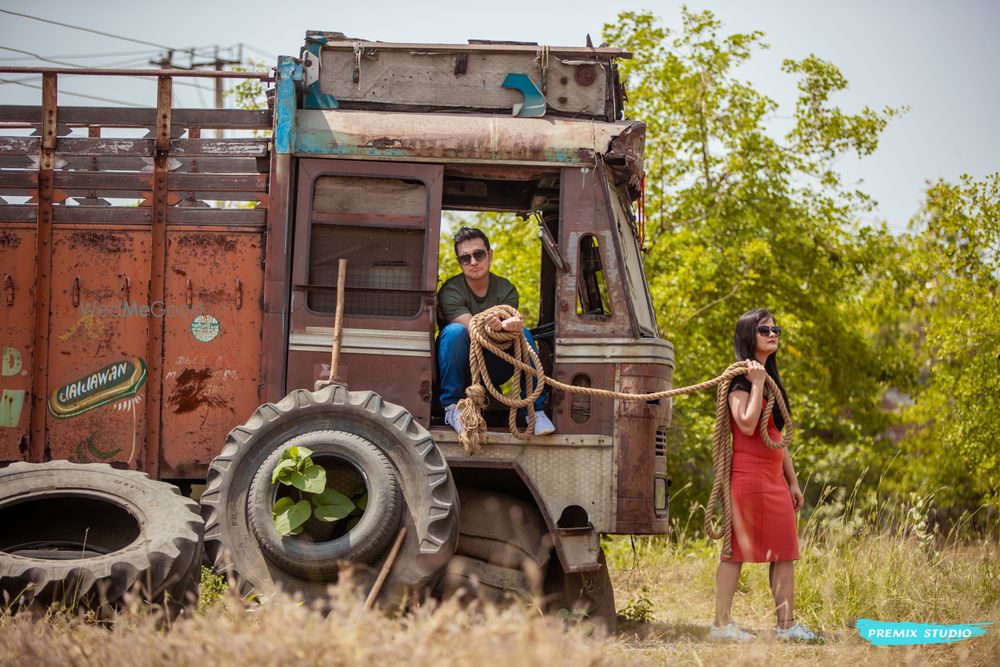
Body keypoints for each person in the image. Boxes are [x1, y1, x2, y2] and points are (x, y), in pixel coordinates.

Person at [709, 308, 819, 642]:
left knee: (785, 552)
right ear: (748, 336)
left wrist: (793, 481)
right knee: (734, 552)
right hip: (746, 477)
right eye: (764, 329)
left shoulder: (770, 380)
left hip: (773, 479)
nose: (773, 333)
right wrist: (756, 384)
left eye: (776, 328)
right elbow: (745, 421)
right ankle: (721, 626)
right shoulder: (741, 381)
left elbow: (777, 437)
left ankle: (786, 626)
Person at [436, 227, 555, 436]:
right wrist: (497, 326)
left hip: (496, 364)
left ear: (489, 255)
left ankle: (534, 411)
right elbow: (472, 329)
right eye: (465, 258)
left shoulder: (506, 289)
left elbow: (508, 323)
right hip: (461, 364)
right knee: (455, 332)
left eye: (479, 254)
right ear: (459, 263)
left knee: (524, 335)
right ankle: (452, 409)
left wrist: (510, 328)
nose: (473, 262)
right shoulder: (450, 291)